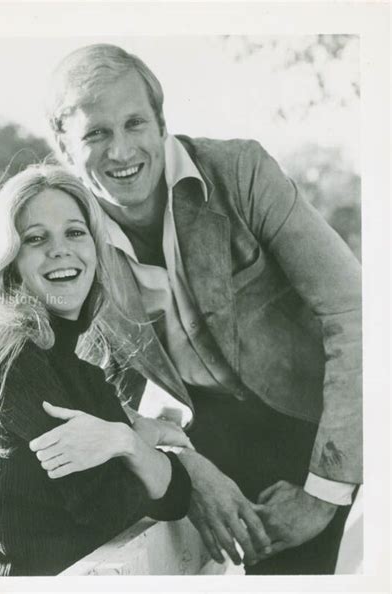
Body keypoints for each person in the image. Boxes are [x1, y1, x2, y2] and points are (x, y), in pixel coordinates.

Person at [38, 43, 363, 575]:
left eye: (134, 124)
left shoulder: (241, 172)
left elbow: (354, 313)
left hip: (326, 418)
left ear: (161, 121)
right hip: (213, 439)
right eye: (96, 133)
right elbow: (91, 378)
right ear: (64, 145)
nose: (120, 152)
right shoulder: (70, 232)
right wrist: (185, 465)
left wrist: (323, 494)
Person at [0, 165, 192, 576]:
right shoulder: (13, 361)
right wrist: (132, 443)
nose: (60, 249)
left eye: (75, 232)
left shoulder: (73, 367)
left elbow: (175, 498)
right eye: (36, 238)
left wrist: (126, 442)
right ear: (9, 263)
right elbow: (112, 503)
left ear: (95, 250)